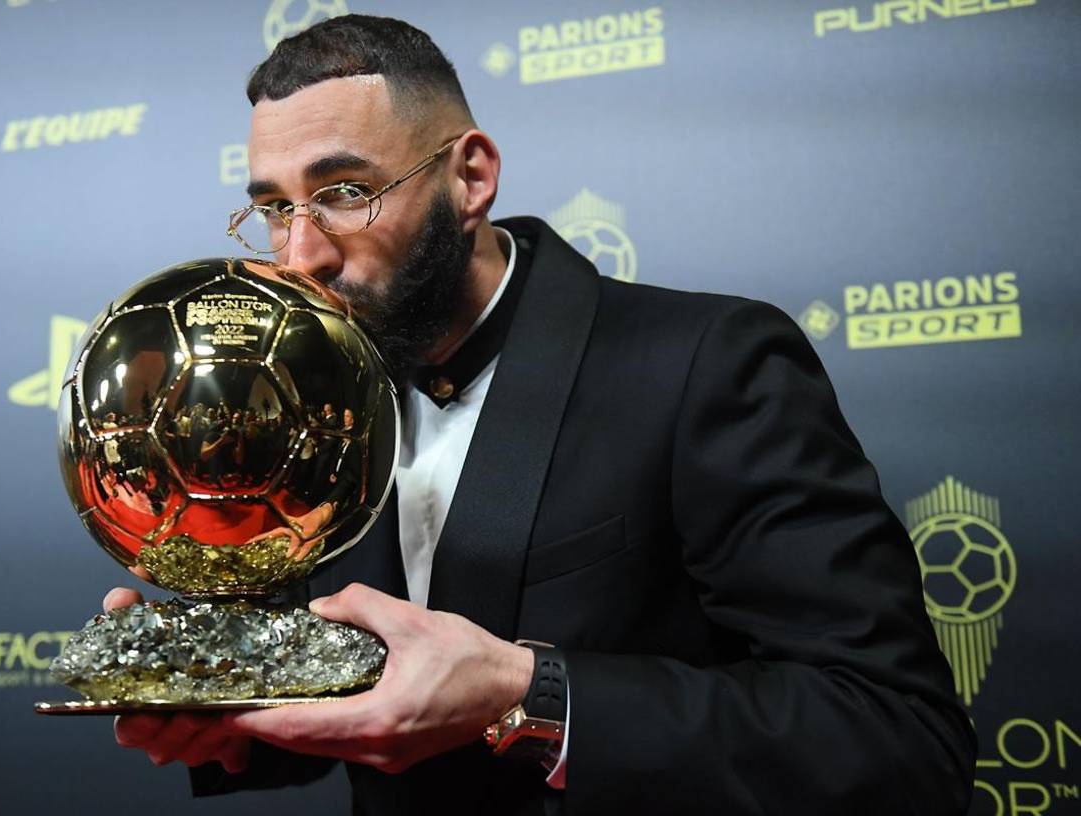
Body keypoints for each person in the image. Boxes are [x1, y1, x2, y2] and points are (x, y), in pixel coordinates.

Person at [105, 14, 976, 815]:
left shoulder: (707, 360)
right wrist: (235, 717)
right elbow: (359, 692)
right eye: (273, 208)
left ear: (470, 175)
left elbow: (897, 736)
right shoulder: (315, 403)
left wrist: (531, 694)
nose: (301, 256)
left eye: (344, 192)